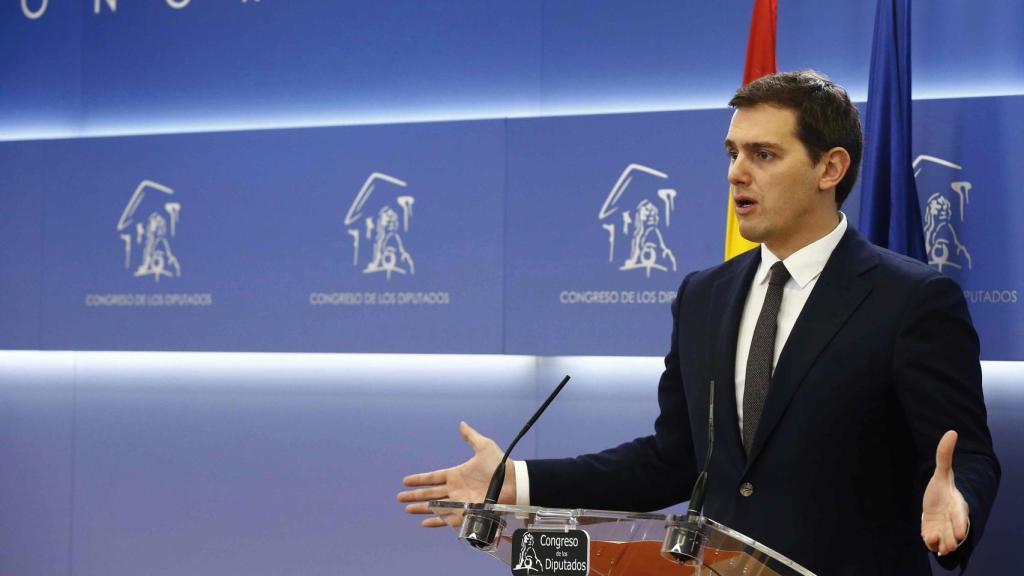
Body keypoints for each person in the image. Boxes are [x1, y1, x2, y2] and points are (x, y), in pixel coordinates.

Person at [398, 71, 1000, 575]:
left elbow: (965, 453)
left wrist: (960, 504)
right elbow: (674, 460)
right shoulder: (704, 296)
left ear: (830, 168)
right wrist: (516, 483)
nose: (737, 172)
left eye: (764, 154)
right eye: (733, 153)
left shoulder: (912, 299)